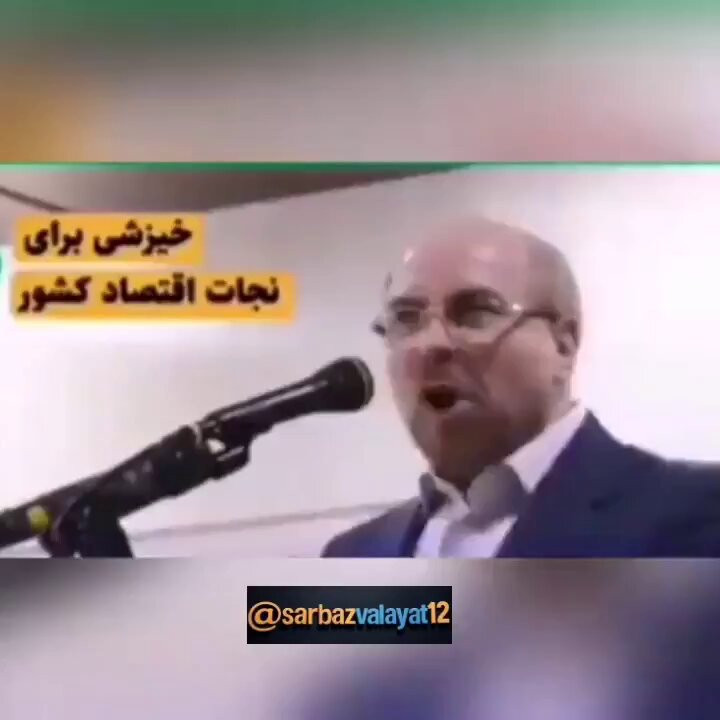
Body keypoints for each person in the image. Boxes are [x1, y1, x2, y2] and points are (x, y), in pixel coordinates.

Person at [323, 217, 720, 557]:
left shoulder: (699, 514)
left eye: (476, 312)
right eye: (407, 318)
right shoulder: (351, 556)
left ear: (564, 344)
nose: (430, 344)